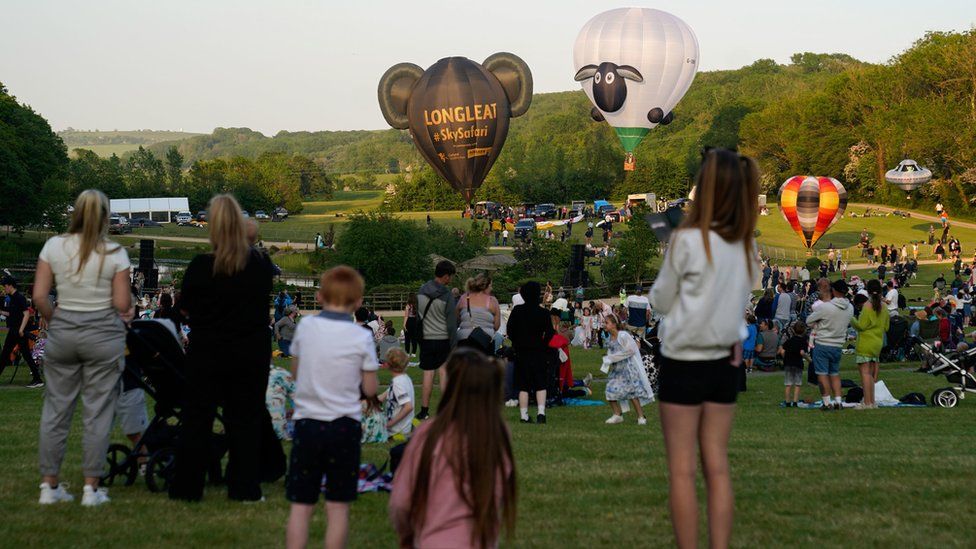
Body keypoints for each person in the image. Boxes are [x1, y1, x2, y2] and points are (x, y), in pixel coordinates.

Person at [649, 148, 760, 549]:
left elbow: (660, 302)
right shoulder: (747, 247)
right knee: (717, 466)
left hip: (682, 362)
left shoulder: (686, 240)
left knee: (682, 471)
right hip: (723, 364)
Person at [169, 194, 276, 503]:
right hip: (250, 352)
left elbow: (186, 309)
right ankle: (244, 488)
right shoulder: (260, 265)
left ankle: (186, 488)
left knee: (197, 419)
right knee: (245, 419)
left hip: (207, 351)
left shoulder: (201, 267)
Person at [31, 189, 132, 506]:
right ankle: (91, 488)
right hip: (103, 335)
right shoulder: (115, 252)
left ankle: (49, 486)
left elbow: (39, 296)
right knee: (98, 413)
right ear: (106, 216)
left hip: (64, 333)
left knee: (56, 411)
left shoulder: (53, 246)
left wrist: (55, 318)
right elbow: (121, 303)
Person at [283, 265, 378, 549]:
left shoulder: (306, 327)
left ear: (320, 296)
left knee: (301, 506)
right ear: (358, 301)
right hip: (344, 427)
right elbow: (371, 389)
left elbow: (297, 372)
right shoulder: (361, 337)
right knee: (337, 507)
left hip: (307, 424)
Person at [389, 348, 517, 548]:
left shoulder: (428, 433)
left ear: (450, 387)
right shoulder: (498, 435)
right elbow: (498, 494)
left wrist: (407, 533)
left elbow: (401, 502)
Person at [506, 281, 555, 424]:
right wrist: (544, 345)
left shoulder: (517, 311)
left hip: (521, 351)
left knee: (523, 385)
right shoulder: (544, 313)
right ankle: (541, 412)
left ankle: (524, 415)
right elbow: (550, 333)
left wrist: (516, 343)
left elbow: (510, 331)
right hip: (539, 351)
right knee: (540, 383)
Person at [416, 260, 458, 420]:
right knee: (443, 372)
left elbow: (420, 315)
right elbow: (451, 322)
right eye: (451, 277)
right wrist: (453, 344)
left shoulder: (422, 290)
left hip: (426, 336)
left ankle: (424, 410)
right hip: (442, 337)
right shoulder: (446, 295)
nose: (451, 280)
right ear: (446, 276)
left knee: (427, 373)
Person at [805, 279, 854, 411]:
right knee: (835, 373)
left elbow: (809, 320)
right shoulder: (850, 308)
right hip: (838, 344)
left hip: (823, 343)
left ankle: (827, 402)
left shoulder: (826, 307)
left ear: (834, 290)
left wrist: (820, 322)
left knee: (822, 374)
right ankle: (838, 401)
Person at [601, 315, 653, 424]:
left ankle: (641, 417)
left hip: (627, 369)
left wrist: (611, 358)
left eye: (606, 322)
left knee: (632, 394)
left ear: (614, 324)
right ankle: (617, 414)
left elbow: (631, 350)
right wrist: (606, 364)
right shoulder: (610, 338)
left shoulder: (623, 335)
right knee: (610, 390)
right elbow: (610, 354)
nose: (604, 325)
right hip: (616, 370)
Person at [850, 279, 889, 409]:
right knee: (871, 374)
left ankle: (867, 402)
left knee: (865, 374)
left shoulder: (867, 306)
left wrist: (852, 319)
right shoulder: (884, 306)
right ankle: (872, 402)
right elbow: (887, 326)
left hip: (866, 343)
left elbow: (861, 326)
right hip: (877, 342)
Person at [0, 276, 44, 387]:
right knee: (23, 355)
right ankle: (37, 379)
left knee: (6, 354)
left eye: (5, 286)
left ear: (10, 285)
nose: (4, 289)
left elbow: (26, 314)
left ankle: (37, 379)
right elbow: (11, 314)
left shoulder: (19, 298)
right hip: (15, 331)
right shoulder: (11, 298)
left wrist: (21, 329)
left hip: (18, 331)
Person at [456, 273, 501, 353]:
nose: (491, 288)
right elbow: (497, 326)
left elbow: (456, 318)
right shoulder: (492, 300)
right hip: (485, 340)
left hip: (463, 339)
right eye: (490, 285)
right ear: (485, 287)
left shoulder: (464, 297)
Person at [380, 348, 414, 440]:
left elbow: (408, 407)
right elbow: (389, 392)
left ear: (388, 364)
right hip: (403, 427)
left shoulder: (398, 383)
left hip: (397, 430)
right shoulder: (404, 378)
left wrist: (390, 424)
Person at [778, 321, 808, 407]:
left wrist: (785, 357)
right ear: (804, 331)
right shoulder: (803, 341)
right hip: (798, 364)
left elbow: (782, 350)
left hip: (788, 364)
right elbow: (802, 353)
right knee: (797, 384)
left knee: (788, 384)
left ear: (793, 330)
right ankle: (795, 402)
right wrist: (809, 360)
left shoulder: (789, 340)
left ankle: (787, 402)